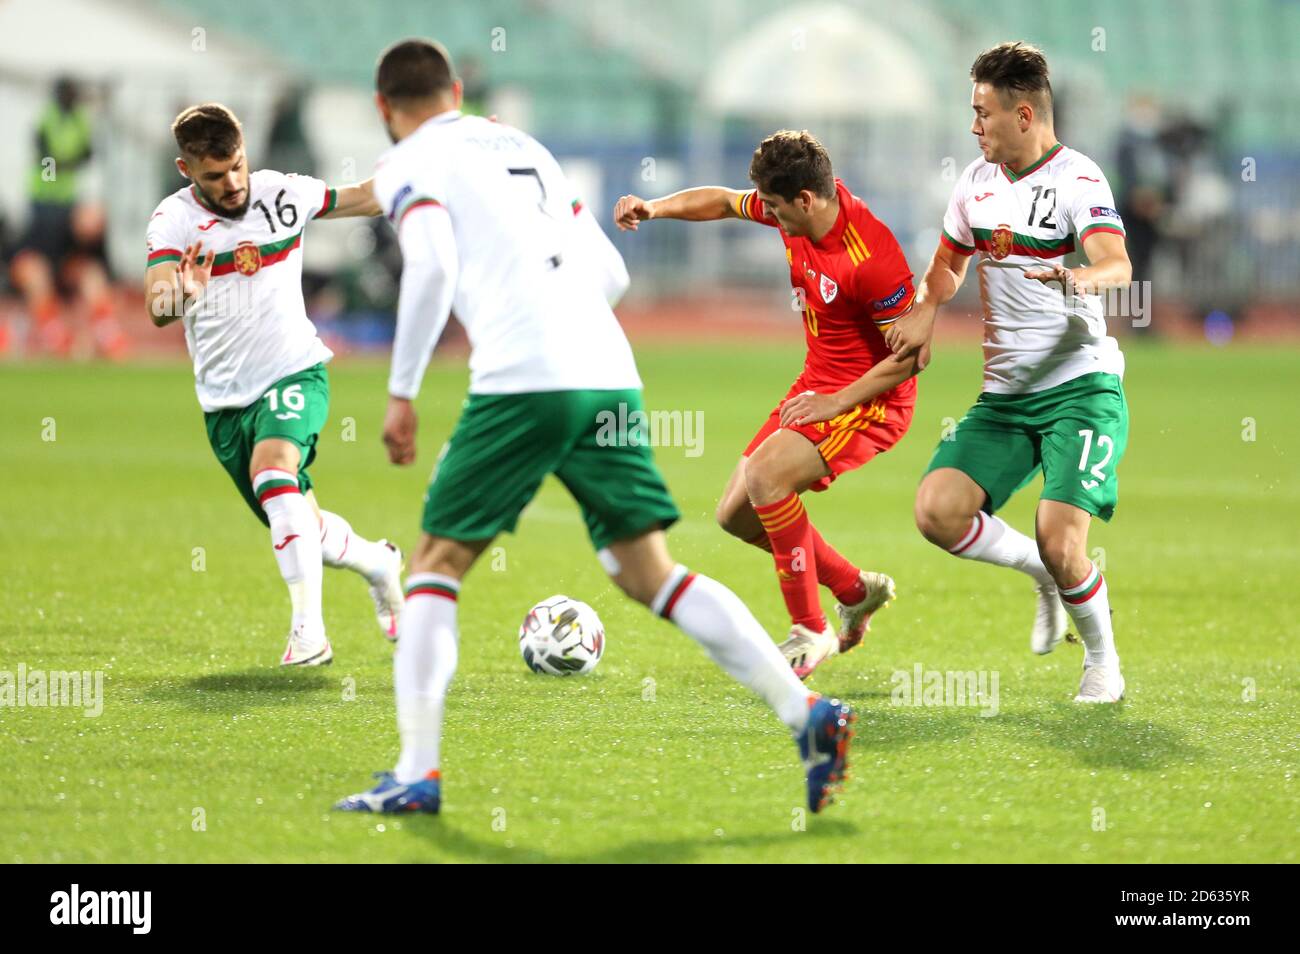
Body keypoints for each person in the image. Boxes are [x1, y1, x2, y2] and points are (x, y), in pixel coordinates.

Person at [334, 39, 853, 816]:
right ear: (459, 89)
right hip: (608, 368)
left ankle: (416, 773)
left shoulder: (414, 158)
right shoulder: (520, 144)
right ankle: (806, 715)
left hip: (523, 379)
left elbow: (434, 268)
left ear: (385, 109)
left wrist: (402, 391)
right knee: (650, 572)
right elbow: (611, 273)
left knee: (436, 562)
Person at [614, 131, 922, 679]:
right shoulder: (793, 208)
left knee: (767, 478)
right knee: (734, 516)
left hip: (870, 398)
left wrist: (835, 403)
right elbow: (723, 201)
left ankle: (811, 629)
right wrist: (654, 207)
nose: (772, 219)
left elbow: (911, 358)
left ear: (806, 200)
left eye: (778, 210)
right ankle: (854, 588)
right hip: (817, 385)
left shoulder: (872, 256)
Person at [880, 42, 1132, 702]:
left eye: (982, 113)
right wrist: (928, 308)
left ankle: (1103, 662)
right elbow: (948, 263)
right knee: (937, 510)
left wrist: (1082, 278)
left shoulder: (1078, 179)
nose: (973, 127)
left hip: (1080, 388)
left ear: (1024, 115)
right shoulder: (974, 184)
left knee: (1061, 536)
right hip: (1006, 398)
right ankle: (1043, 575)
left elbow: (1118, 264)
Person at [144, 103, 404, 667]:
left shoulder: (282, 193)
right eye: (215, 175)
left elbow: (362, 196)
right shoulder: (173, 220)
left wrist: (423, 173)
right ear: (187, 170)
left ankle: (309, 634)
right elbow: (157, 304)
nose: (233, 183)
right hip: (224, 406)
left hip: (294, 371)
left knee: (273, 470)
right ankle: (378, 562)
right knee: (299, 522)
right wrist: (181, 295)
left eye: (237, 165)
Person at [8, 77, 126, 358]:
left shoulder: (81, 121)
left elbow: (87, 154)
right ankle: (55, 337)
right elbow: (46, 156)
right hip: (44, 202)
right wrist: (65, 163)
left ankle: (106, 334)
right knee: (35, 269)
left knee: (89, 272)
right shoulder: (46, 119)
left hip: (66, 202)